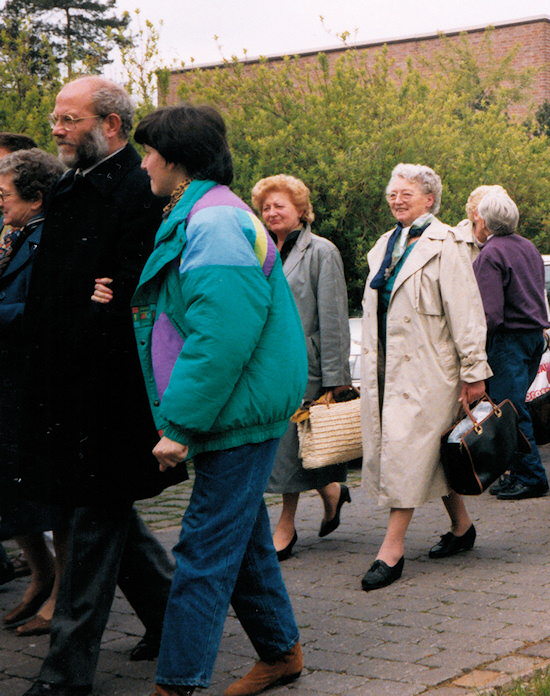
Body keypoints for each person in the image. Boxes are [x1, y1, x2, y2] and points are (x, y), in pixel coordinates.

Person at [100, 104, 308, 696]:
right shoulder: (201, 211)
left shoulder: (214, 220)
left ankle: (179, 684)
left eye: (148, 153)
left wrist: (181, 425)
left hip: (233, 410)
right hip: (233, 406)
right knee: (238, 540)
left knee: (202, 549)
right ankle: (281, 654)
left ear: (175, 159)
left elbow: (221, 334)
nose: (143, 165)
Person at [21, 76, 184, 696]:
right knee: (108, 517)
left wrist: (97, 304)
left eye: (69, 119)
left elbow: (131, 294)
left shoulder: (138, 192)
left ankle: (66, 675)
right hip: (66, 383)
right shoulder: (69, 187)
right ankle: (175, 622)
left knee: (91, 528)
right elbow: (68, 289)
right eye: (56, 118)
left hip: (108, 392)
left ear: (110, 125)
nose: (57, 129)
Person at [359, 163, 490, 591]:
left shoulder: (446, 243)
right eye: (392, 193)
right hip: (387, 368)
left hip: (432, 369)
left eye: (407, 194)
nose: (397, 199)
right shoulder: (383, 245)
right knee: (430, 451)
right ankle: (461, 527)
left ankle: (391, 549)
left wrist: (474, 373)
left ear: (429, 200)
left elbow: (467, 313)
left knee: (407, 452)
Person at [250, 175, 353, 561]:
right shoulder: (258, 249)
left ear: (300, 210)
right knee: (289, 448)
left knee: (290, 448)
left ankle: (286, 526)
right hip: (267, 365)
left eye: (280, 206)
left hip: (305, 365)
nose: (272, 212)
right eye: (266, 207)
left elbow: (334, 318)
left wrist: (336, 379)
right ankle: (331, 491)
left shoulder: (321, 251)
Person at [0, 148, 68, 638]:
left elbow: (43, 310)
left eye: (4, 195)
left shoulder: (50, 238)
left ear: (36, 197)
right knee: (13, 489)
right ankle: (41, 573)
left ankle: (61, 588)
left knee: (48, 496)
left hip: (33, 383)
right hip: (10, 382)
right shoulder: (16, 234)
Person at [470, 188, 550, 499]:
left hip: (508, 340)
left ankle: (531, 476)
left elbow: (489, 313)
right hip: (533, 335)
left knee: (510, 409)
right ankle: (518, 472)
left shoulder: (490, 254)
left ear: (484, 221)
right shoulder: (528, 247)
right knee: (515, 405)